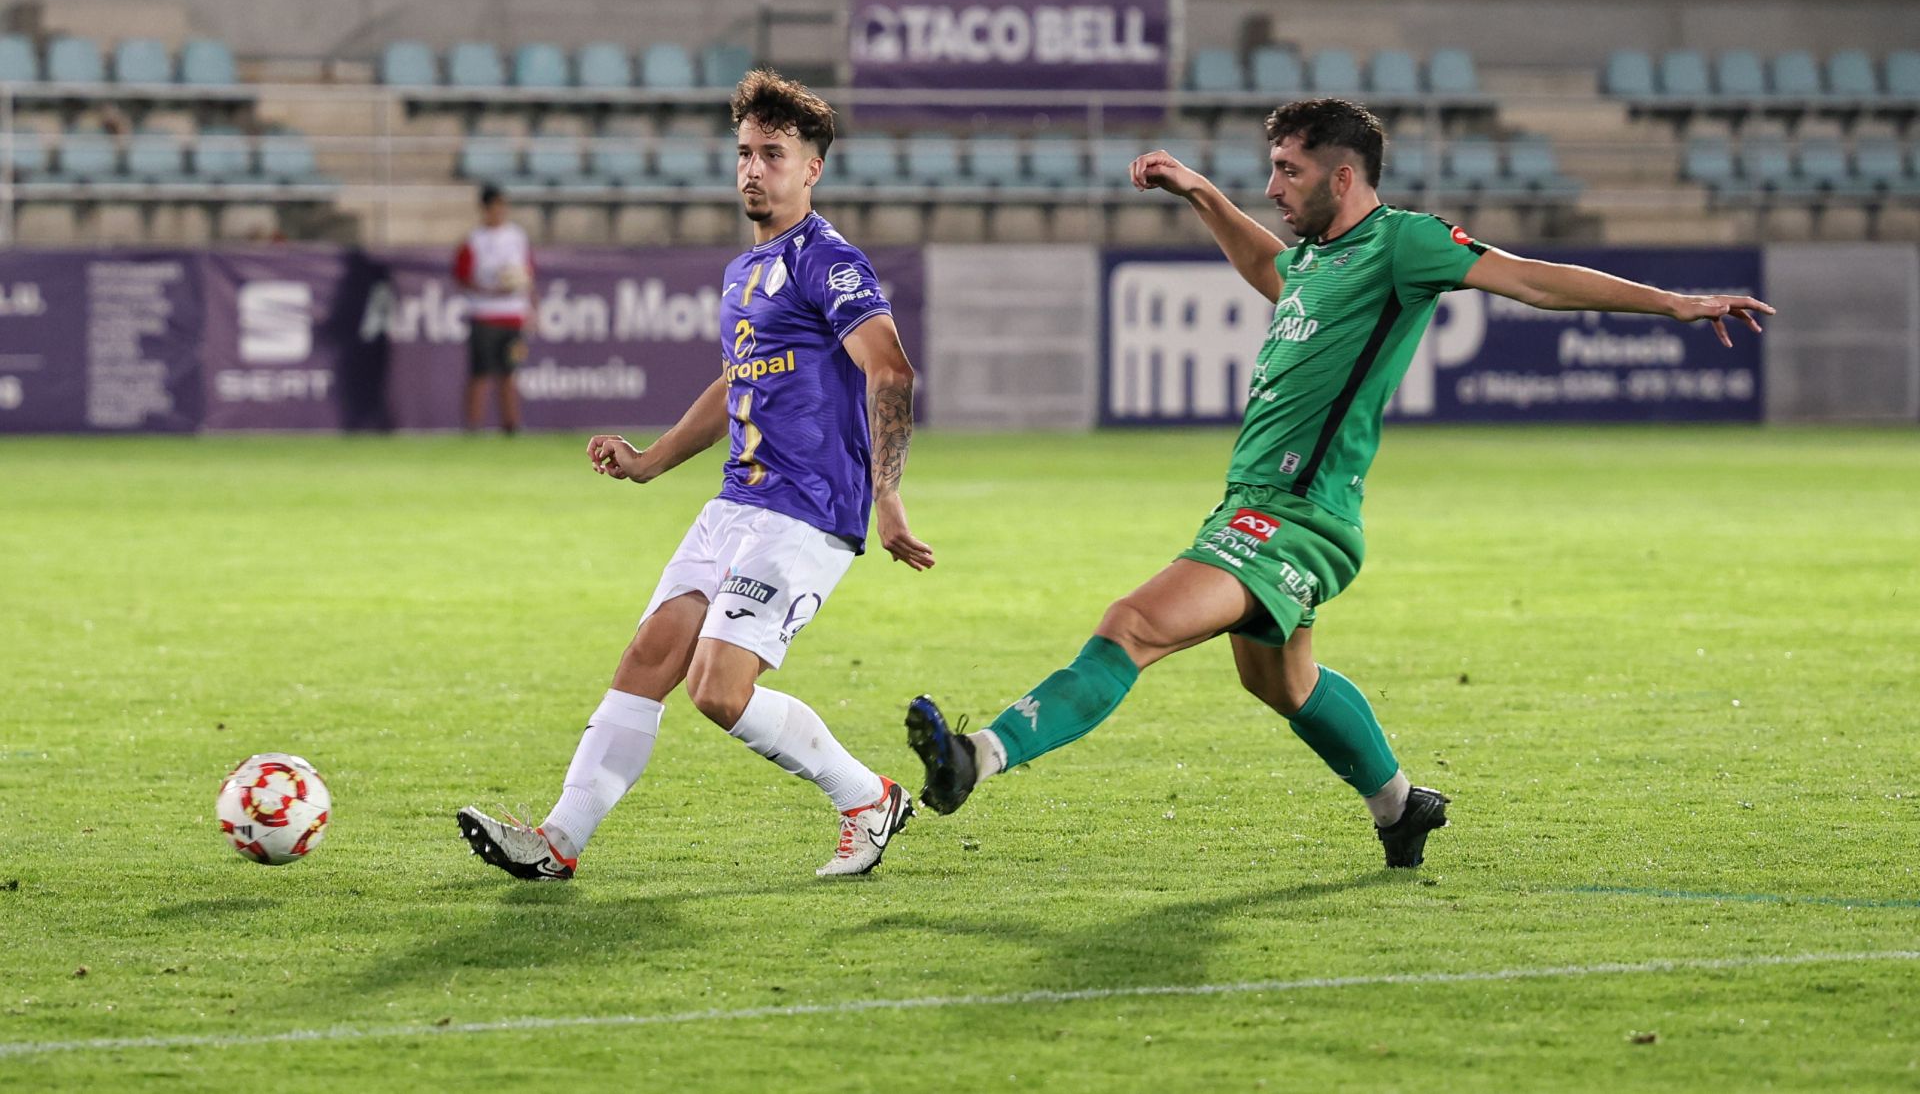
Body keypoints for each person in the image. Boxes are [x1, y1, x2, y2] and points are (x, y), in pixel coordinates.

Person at [905, 98, 1773, 869]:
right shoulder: (1314, 262)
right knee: (1280, 684)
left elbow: (1532, 280)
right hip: (1256, 507)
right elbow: (1265, 267)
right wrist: (1202, 192)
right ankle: (1400, 807)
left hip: (1297, 518)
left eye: (1290, 170)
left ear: (1343, 174)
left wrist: (1673, 303)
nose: (1276, 186)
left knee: (1132, 625)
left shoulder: (1404, 243)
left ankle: (975, 756)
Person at [458, 69, 934, 880]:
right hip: (735, 502)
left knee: (717, 688)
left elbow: (889, 371)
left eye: (773, 155)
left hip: (806, 511)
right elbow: (735, 384)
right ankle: (556, 842)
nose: (753, 169)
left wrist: (888, 498)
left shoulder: (829, 262)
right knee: (648, 658)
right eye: (744, 152)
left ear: (811, 169)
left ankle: (868, 796)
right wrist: (650, 461)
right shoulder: (741, 273)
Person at [452, 185, 535, 435]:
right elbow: (462, 275)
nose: (499, 211)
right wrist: (488, 291)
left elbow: (528, 273)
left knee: (510, 373)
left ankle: (511, 425)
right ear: (485, 209)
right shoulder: (475, 240)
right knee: (481, 373)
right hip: (485, 315)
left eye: (502, 206)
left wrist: (531, 307)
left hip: (513, 315)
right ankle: (473, 426)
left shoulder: (517, 237)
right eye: (495, 206)